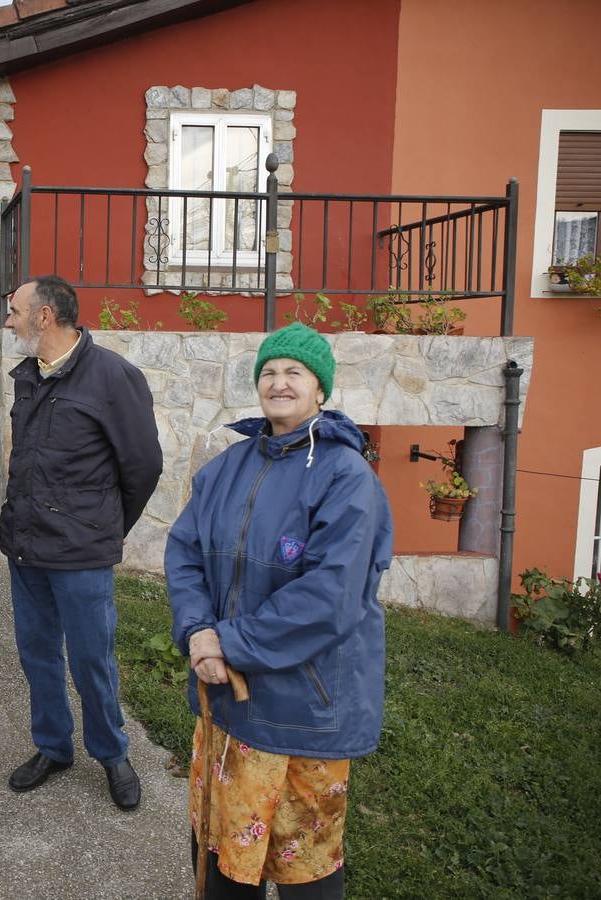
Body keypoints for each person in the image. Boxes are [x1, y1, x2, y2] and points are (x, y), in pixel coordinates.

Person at [164, 322, 393, 898]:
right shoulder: (227, 468)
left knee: (304, 870)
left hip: (304, 712)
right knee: (221, 860)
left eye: (294, 371)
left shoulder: (347, 478)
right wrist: (197, 632)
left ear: (321, 389)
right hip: (228, 704)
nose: (278, 381)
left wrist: (227, 642)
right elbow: (185, 552)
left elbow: (329, 596)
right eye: (268, 371)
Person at [0, 275, 162, 810]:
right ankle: (53, 746)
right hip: (27, 547)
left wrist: (104, 529)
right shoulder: (27, 375)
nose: (8, 319)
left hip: (81, 554)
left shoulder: (113, 377)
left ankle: (113, 753)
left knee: (92, 658)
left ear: (44, 317)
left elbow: (142, 467)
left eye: (14, 309)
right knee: (37, 654)